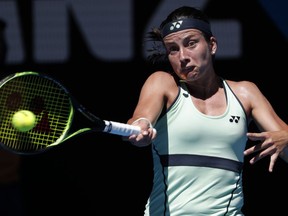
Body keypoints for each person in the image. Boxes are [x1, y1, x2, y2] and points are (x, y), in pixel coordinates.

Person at [124, 5, 288, 215]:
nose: (182, 56)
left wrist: (286, 137)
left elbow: (284, 143)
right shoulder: (163, 84)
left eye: (191, 43)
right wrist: (141, 127)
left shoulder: (246, 93)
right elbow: (141, 118)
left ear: (212, 45)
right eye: (173, 49)